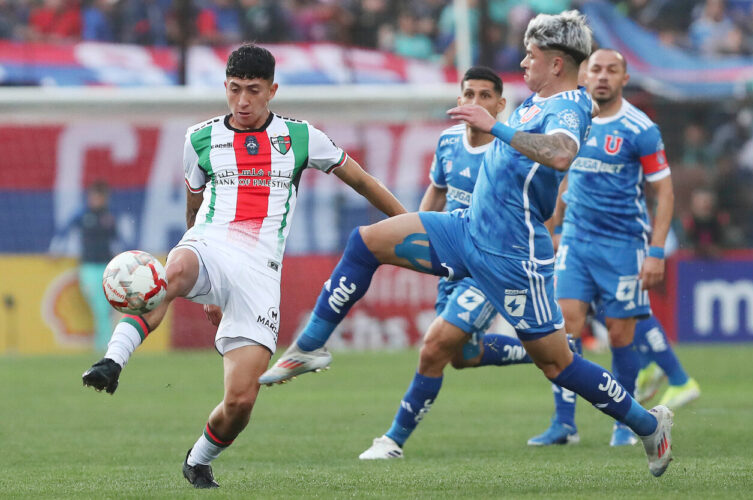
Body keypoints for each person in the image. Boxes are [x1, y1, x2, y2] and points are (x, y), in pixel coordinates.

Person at [260, 12, 674, 477]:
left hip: (512, 255)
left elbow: (560, 154)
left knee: (558, 365)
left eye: (531, 55)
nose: (523, 62)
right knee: (367, 241)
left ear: (557, 63)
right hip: (466, 229)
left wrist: (492, 124)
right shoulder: (538, 100)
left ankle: (647, 423)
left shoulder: (569, 108)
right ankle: (309, 347)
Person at [81, 44, 407, 489]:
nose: (243, 102)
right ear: (225, 88)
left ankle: (198, 459)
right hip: (210, 244)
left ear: (272, 89)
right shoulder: (199, 138)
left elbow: (363, 181)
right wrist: (199, 280)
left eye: (253, 91)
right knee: (168, 275)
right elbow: (194, 212)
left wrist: (411, 224)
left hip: (259, 273)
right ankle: (111, 362)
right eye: (234, 90)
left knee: (240, 402)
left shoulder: (302, 137)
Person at [356, 66, 543, 459]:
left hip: (488, 265)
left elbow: (538, 207)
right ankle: (542, 349)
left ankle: (392, 441)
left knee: (434, 346)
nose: (475, 102)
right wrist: (415, 239)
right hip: (453, 260)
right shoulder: (447, 142)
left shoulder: (507, 151)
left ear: (500, 104)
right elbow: (436, 196)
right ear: (459, 100)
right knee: (462, 356)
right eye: (468, 95)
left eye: (484, 96)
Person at [526, 48, 678, 448]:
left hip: (623, 245)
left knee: (619, 334)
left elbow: (663, 190)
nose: (604, 76)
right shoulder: (572, 119)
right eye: (596, 69)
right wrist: (553, 229)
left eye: (613, 70)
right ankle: (564, 424)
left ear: (625, 78)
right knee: (564, 328)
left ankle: (625, 426)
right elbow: (559, 175)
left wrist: (656, 250)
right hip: (575, 240)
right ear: (584, 75)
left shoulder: (640, 128)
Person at [50, 180, 120, 351]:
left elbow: (118, 241)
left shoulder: (109, 217)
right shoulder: (82, 215)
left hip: (107, 266)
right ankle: (106, 345)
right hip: (88, 266)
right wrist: (56, 250)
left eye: (99, 197)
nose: (95, 200)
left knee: (105, 308)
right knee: (99, 305)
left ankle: (105, 345)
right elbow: (64, 231)